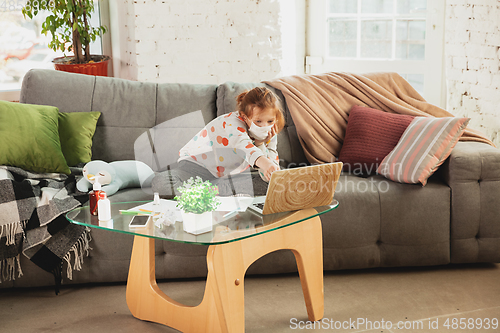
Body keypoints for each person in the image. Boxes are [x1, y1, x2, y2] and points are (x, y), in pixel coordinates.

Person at [154, 86, 285, 197]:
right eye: (258, 121)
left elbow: (269, 174)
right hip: (196, 169)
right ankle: (219, 191)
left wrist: (261, 145)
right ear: (245, 117)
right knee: (161, 183)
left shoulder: (270, 131)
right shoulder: (232, 123)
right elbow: (243, 145)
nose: (264, 126)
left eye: (270, 121)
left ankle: (213, 190)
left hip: (225, 177)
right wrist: (266, 163)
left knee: (274, 185)